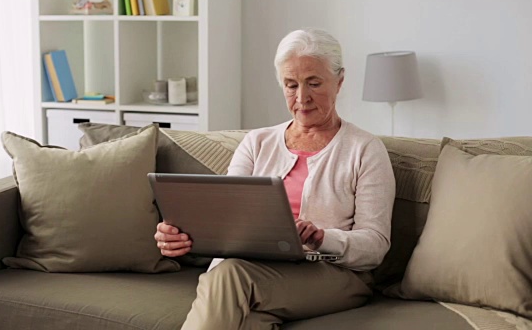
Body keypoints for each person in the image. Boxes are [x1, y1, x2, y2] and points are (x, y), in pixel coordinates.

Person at [154, 28, 396, 329]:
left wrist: (322, 237)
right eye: (291, 85)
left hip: (336, 275)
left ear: (340, 81)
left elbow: (375, 246)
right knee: (247, 320)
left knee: (229, 276)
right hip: (258, 273)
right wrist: (182, 235)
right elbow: (227, 219)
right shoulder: (257, 142)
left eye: (314, 83)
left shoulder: (365, 149)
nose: (301, 97)